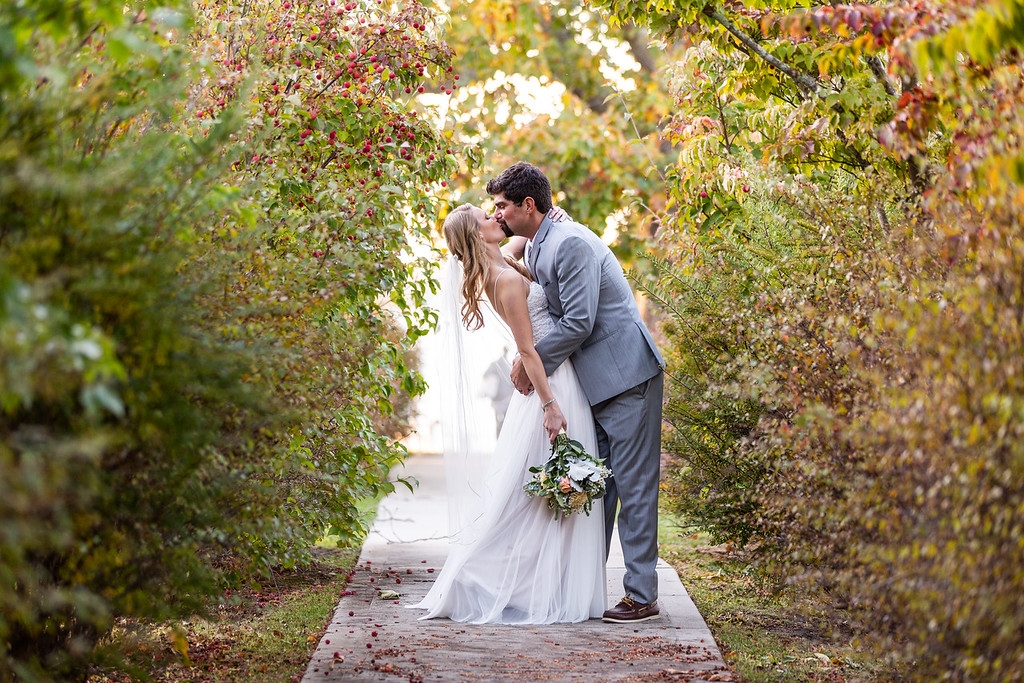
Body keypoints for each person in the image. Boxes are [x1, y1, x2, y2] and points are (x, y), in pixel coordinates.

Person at [486, 162, 665, 624]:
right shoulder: (544, 240)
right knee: (595, 487)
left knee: (634, 487)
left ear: (529, 205)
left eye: (502, 206)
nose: (498, 214)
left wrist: (532, 363)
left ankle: (641, 595)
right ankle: (580, 586)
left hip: (628, 376)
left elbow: (580, 322)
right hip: (594, 385)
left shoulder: (569, 244)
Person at [409, 203, 606, 624]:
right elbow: (528, 351)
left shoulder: (503, 264)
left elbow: (524, 231)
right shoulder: (506, 281)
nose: (495, 218)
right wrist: (551, 406)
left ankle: (547, 581)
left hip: (556, 380)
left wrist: (553, 217)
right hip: (551, 386)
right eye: (486, 217)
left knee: (544, 491)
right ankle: (487, 578)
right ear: (477, 235)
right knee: (538, 494)